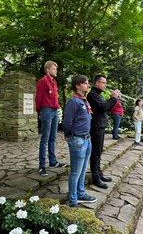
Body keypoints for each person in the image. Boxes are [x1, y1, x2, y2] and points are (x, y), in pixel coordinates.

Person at [63, 75, 97, 207]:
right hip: (77, 140)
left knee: (82, 170)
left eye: (88, 83)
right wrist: (68, 134)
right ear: (78, 85)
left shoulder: (83, 101)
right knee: (75, 172)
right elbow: (67, 121)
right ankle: (72, 200)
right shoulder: (74, 101)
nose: (88, 86)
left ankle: (81, 194)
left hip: (87, 139)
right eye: (85, 84)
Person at [87, 75, 119, 189]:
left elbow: (107, 107)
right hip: (96, 126)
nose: (105, 85)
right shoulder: (92, 95)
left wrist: (114, 100)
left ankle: (99, 173)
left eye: (105, 82)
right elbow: (103, 107)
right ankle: (95, 177)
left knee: (99, 151)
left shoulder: (98, 95)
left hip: (100, 126)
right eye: (103, 82)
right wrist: (113, 98)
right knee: (95, 152)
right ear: (96, 83)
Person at [35, 61, 66, 176]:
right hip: (46, 111)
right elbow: (38, 98)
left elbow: (55, 98)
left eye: (56, 69)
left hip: (54, 111)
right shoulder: (42, 82)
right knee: (45, 138)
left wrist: (58, 109)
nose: (56, 71)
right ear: (48, 70)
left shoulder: (54, 82)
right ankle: (42, 166)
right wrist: (39, 112)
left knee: (53, 137)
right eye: (54, 69)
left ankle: (53, 162)